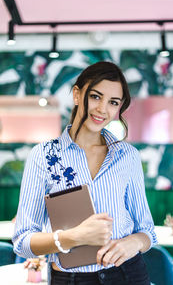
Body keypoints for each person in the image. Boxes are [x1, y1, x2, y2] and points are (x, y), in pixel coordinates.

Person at [13, 61, 157, 285]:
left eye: (113, 103)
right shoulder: (43, 156)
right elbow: (22, 241)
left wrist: (134, 243)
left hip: (128, 274)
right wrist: (75, 237)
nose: (102, 109)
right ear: (78, 95)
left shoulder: (127, 156)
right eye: (96, 96)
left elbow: (147, 230)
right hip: (70, 279)